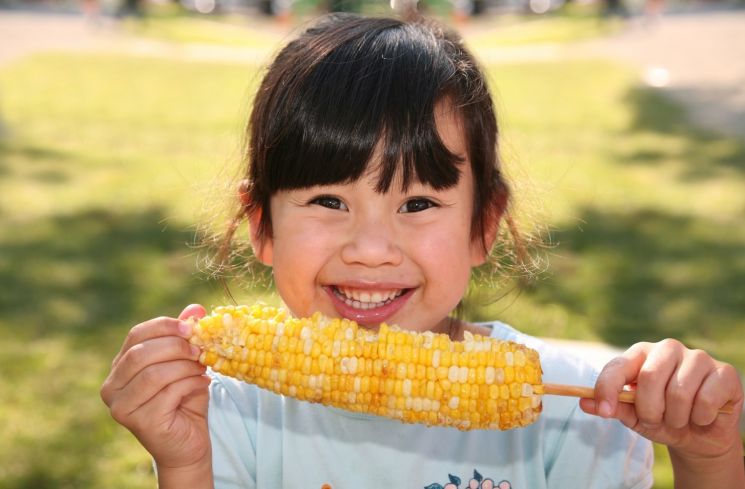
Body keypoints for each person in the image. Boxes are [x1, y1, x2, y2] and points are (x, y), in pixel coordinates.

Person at [100, 13, 744, 489]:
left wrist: (709, 458)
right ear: (260, 226)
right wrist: (185, 466)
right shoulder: (226, 417)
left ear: (483, 226)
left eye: (417, 204)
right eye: (328, 201)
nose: (372, 250)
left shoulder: (576, 414)